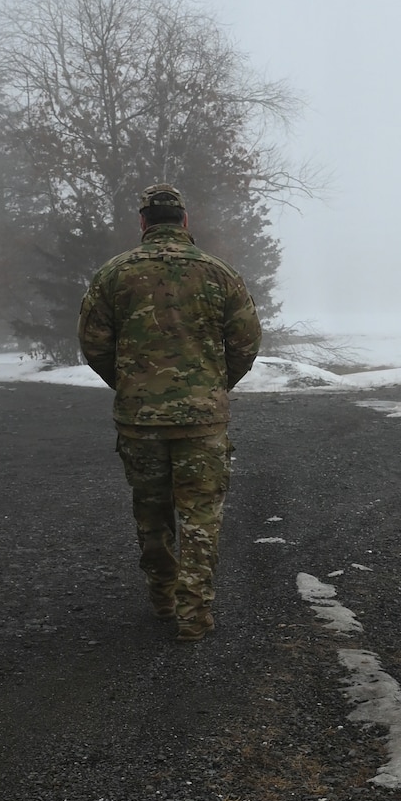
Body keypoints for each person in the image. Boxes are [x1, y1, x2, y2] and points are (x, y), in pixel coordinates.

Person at [77, 182, 261, 641]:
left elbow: (94, 342)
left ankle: (162, 599)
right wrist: (213, 387)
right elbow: (245, 343)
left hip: (141, 421)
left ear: (143, 222)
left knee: (152, 513)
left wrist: (131, 386)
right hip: (202, 420)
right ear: (184, 221)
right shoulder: (219, 274)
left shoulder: (114, 274)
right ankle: (193, 615)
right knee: (201, 516)